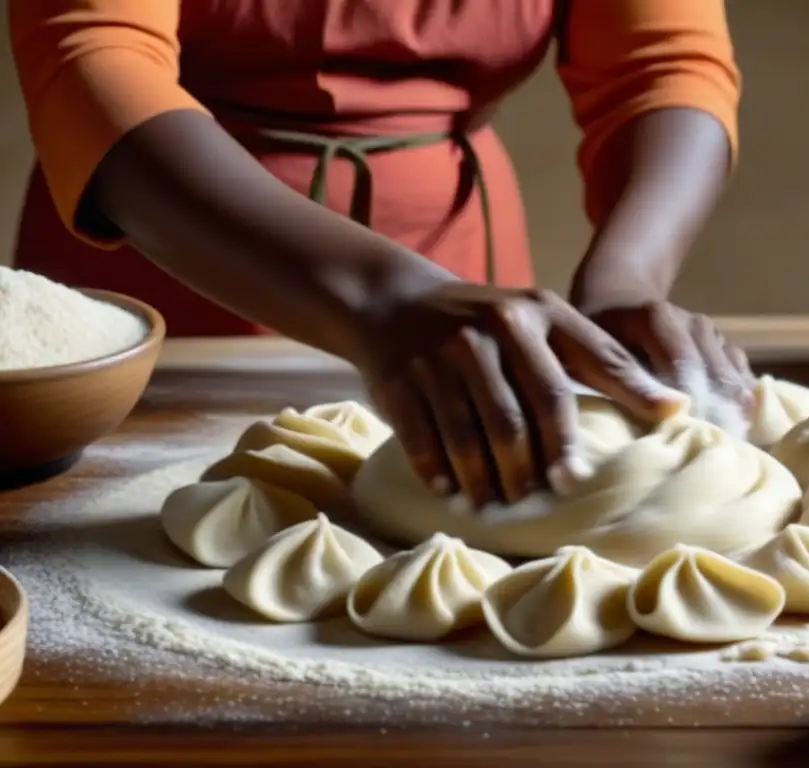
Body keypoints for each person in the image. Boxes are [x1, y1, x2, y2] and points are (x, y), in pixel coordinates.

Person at [10, 0, 752, 509]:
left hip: (459, 285)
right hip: (170, 249)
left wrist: (626, 277)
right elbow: (91, 58)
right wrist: (383, 300)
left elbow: (662, 67)